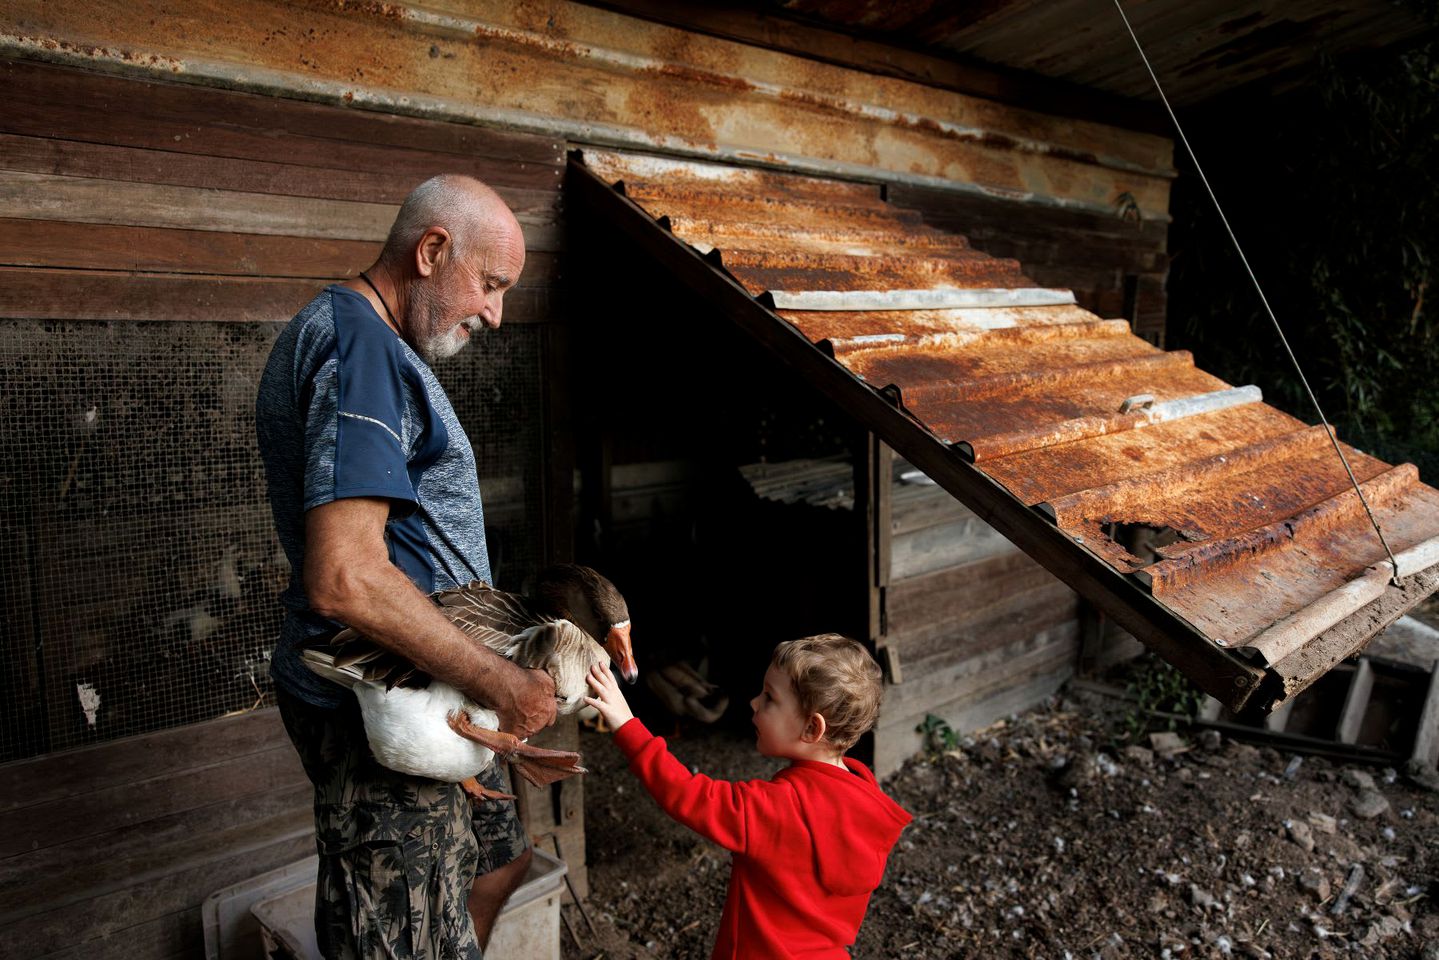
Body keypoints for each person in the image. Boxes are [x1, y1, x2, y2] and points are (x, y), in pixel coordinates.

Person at [255, 173, 556, 958]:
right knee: (399, 942)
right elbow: (345, 576)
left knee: (499, 860)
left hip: (436, 690)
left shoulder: (369, 343)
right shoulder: (361, 352)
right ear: (431, 251)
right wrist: (498, 681)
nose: (495, 314)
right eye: (490, 285)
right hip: (385, 703)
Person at [584, 633, 912, 959]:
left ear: (812, 729)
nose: (754, 702)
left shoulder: (778, 808)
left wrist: (626, 724)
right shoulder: (865, 797)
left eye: (769, 698)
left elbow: (687, 795)